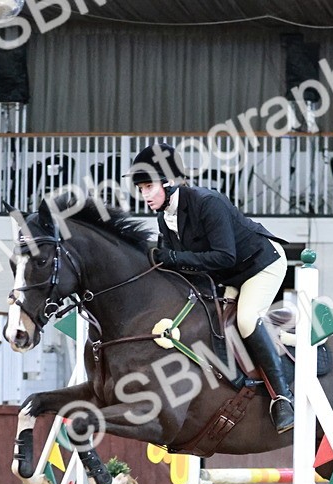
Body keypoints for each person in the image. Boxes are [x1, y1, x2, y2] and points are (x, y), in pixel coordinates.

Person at [126, 142, 295, 434]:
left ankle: (283, 397)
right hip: (230, 276)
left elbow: (224, 255)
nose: (145, 195)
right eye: (141, 188)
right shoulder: (164, 217)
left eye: (149, 186)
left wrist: (174, 257)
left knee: (244, 320)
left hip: (260, 264)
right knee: (212, 323)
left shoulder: (208, 202)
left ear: (169, 182)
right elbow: (177, 266)